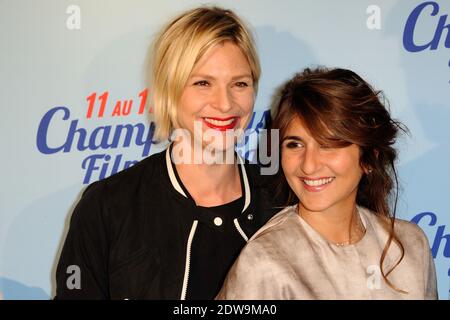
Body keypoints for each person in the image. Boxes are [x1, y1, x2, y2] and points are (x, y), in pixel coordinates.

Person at [55, 6, 277, 300]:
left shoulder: (282, 201)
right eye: (202, 83)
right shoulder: (107, 208)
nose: (225, 104)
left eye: (239, 84)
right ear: (169, 90)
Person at [216, 67, 438, 300]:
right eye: (295, 144)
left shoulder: (411, 246)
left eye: (328, 144)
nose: (309, 165)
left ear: (369, 157)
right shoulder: (264, 262)